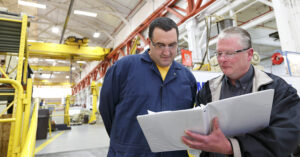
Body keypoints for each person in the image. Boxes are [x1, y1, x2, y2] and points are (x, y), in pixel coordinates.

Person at [182, 27, 300, 157]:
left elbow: (287, 136)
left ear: (249, 54)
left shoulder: (278, 90)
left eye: (229, 53)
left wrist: (232, 147)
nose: (222, 59)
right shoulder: (208, 90)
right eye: (219, 53)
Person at [99, 17, 197, 157]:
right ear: (149, 43)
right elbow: (106, 109)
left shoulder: (187, 78)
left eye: (172, 45)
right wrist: (124, 142)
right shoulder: (124, 68)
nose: (167, 52)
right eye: (160, 45)